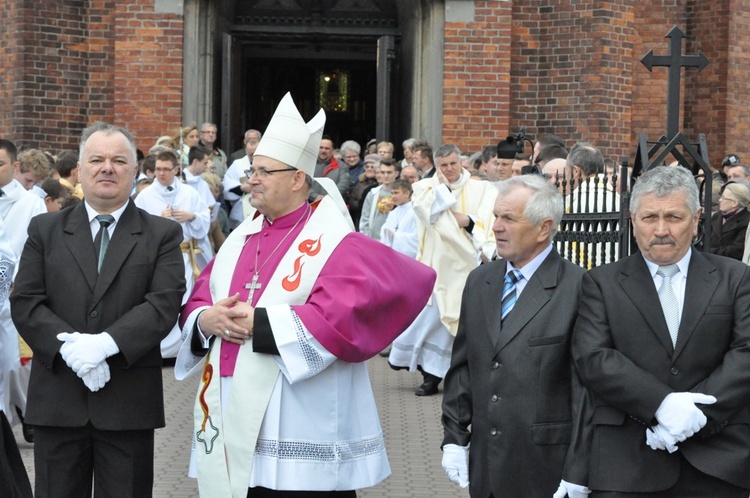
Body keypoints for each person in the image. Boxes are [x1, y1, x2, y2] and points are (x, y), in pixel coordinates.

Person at [175, 92, 435, 497]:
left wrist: (256, 323)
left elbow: (340, 317)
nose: (252, 179)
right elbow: (200, 298)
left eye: (264, 171)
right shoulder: (240, 237)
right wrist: (206, 320)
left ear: (298, 178)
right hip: (230, 401)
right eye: (252, 170)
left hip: (300, 411)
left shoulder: (332, 239)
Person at [10, 122, 186, 497]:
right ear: (80, 170)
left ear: (136, 170)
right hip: (58, 399)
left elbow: (164, 302)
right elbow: (26, 301)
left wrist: (106, 344)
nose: (107, 167)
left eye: (119, 160)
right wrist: (70, 349)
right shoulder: (45, 230)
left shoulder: (162, 235)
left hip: (127, 404)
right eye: (97, 159)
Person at [572, 165, 750, 497]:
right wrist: (661, 404)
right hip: (627, 464)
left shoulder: (735, 278)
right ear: (632, 220)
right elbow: (593, 358)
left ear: (696, 220)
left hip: (719, 461)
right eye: (650, 217)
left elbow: (746, 354)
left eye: (674, 217)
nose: (661, 229)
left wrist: (696, 414)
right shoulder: (601, 282)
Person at [441, 174, 588, 497]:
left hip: (545, 468)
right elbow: (464, 366)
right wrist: (454, 436)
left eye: (508, 218)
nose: (495, 226)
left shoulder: (578, 288)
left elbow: (586, 391)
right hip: (486, 467)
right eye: (496, 216)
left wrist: (579, 468)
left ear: (544, 228)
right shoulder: (481, 281)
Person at [389, 144, 498, 396]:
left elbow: (486, 221)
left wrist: (468, 221)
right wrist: (441, 191)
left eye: (453, 163)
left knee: (461, 324)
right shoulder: (425, 188)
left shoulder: (481, 188)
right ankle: (429, 377)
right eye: (443, 165)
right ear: (436, 166)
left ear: (461, 162)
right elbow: (428, 213)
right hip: (437, 265)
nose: (449, 169)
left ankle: (457, 377)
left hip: (467, 265)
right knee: (433, 321)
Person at [135, 149, 211, 358]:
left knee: (185, 299)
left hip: (185, 256)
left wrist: (192, 216)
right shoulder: (145, 196)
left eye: (166, 169)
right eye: (157, 169)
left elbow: (206, 219)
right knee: (163, 299)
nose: (160, 174)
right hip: (158, 258)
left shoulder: (189, 193)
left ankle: (183, 347)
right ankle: (160, 348)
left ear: (176, 170)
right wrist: (159, 220)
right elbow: (136, 227)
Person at [223, 129, 262, 229]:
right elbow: (226, 185)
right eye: (250, 141)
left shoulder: (267, 164)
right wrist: (242, 188)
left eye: (255, 141)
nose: (252, 143)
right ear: (245, 143)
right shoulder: (237, 164)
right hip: (241, 211)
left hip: (262, 208)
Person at [709, 180, 750, 260]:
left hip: (731, 265)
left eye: (724, 198)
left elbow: (737, 250)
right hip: (710, 262)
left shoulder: (746, 220)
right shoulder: (717, 216)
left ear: (734, 203)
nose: (720, 200)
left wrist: (710, 252)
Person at [359, 158, 398, 241]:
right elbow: (364, 219)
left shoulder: (401, 194)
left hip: (394, 241)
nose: (386, 175)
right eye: (383, 172)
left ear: (396, 173)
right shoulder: (373, 193)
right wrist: (366, 238)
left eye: (389, 172)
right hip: (373, 241)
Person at [380, 179, 417, 258]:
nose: (393, 196)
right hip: (392, 256)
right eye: (392, 193)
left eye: (396, 193)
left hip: (408, 257)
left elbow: (417, 238)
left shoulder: (415, 212)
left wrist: (396, 237)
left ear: (407, 193)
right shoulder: (393, 213)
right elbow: (385, 234)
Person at [312, 135, 349, 199]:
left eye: (327, 148)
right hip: (310, 204)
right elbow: (303, 184)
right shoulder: (309, 164)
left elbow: (344, 185)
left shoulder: (341, 166)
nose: (323, 151)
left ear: (332, 150)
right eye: (321, 147)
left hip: (333, 204)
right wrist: (314, 196)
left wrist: (328, 198)